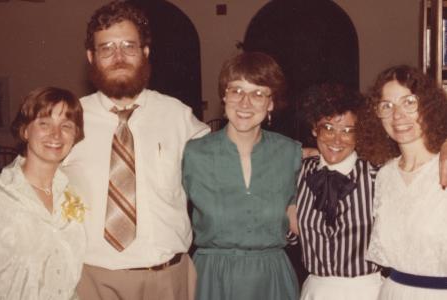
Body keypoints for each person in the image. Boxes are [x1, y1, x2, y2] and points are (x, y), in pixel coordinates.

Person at [61, 1, 209, 299]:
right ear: (91, 57)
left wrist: (295, 154)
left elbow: (226, 161)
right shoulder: (67, 118)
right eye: (107, 48)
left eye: (129, 46)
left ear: (145, 52)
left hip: (167, 279)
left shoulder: (178, 116)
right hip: (91, 280)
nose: (118, 57)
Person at [182, 51, 301, 300]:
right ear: (224, 96)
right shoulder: (194, 153)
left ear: (271, 103)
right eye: (236, 90)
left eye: (258, 93)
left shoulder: (291, 152)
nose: (245, 103)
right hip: (212, 278)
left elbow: (302, 220)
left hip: (272, 279)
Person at [357, 65, 447, 299]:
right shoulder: (385, 175)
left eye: (409, 102)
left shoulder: (444, 166)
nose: (397, 115)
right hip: (392, 292)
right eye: (387, 106)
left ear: (428, 106)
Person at [286, 83, 382, 299]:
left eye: (348, 131)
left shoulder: (378, 176)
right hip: (315, 290)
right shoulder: (297, 175)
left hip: (366, 291)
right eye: (328, 128)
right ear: (314, 128)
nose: (337, 139)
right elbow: (288, 236)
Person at [0, 86, 85, 300]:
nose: (56, 134)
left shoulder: (73, 194)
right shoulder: (2, 196)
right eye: (44, 123)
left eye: (66, 125)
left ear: (75, 135)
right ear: (25, 131)